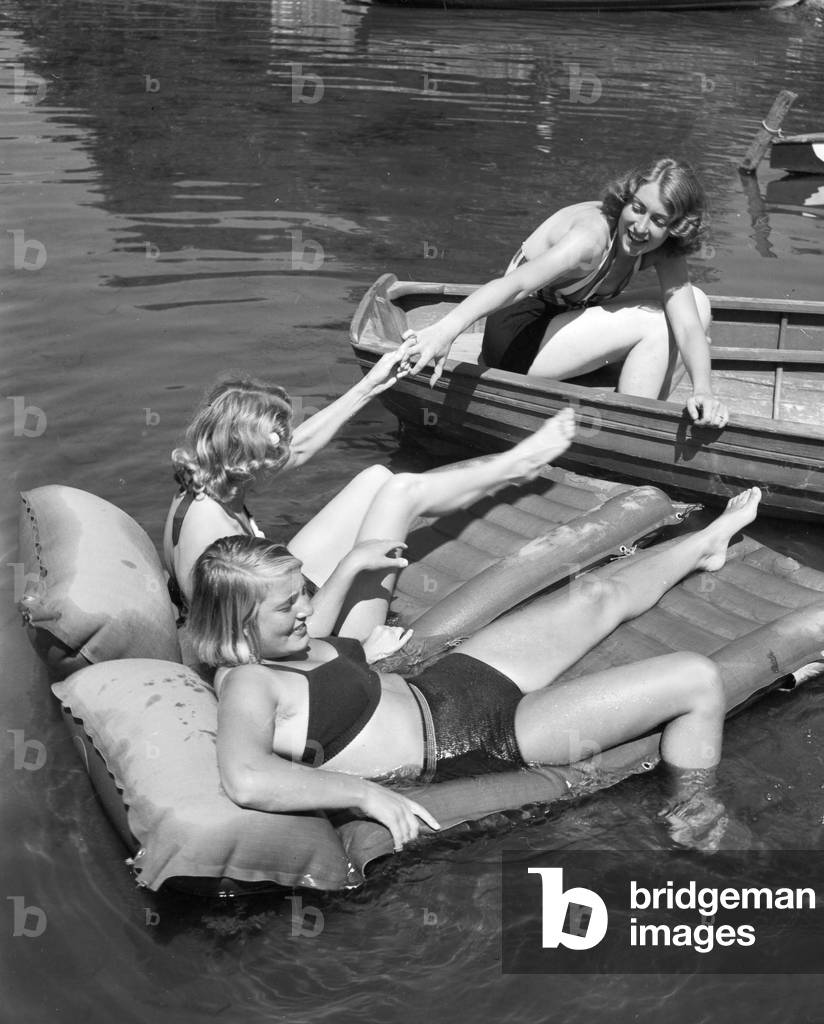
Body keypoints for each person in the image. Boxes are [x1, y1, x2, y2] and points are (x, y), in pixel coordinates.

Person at [187, 483, 762, 851]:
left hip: (447, 684)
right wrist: (362, 796)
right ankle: (694, 811)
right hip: (472, 740)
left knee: (595, 597)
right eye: (289, 605)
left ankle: (709, 541)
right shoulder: (248, 683)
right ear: (239, 624)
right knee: (695, 677)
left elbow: (320, 639)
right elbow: (246, 776)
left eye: (302, 593)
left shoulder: (287, 641)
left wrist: (345, 574)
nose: (305, 610)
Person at [164, 369, 576, 637]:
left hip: (275, 598)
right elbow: (269, 641)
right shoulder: (213, 536)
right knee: (401, 493)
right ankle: (517, 463)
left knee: (376, 479)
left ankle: (501, 472)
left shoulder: (208, 480)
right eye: (273, 446)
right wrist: (352, 567)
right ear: (243, 456)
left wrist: (374, 384)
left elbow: (301, 448)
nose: (284, 451)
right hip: (306, 634)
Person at [399, 157, 728, 427]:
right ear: (627, 198)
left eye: (658, 220)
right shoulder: (590, 238)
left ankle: (640, 412)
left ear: (674, 228)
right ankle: (627, 429)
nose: (641, 227)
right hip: (517, 336)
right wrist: (446, 330)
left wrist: (704, 390)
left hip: (561, 324)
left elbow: (687, 325)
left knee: (696, 303)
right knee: (655, 324)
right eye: (638, 208)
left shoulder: (661, 248)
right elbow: (517, 284)